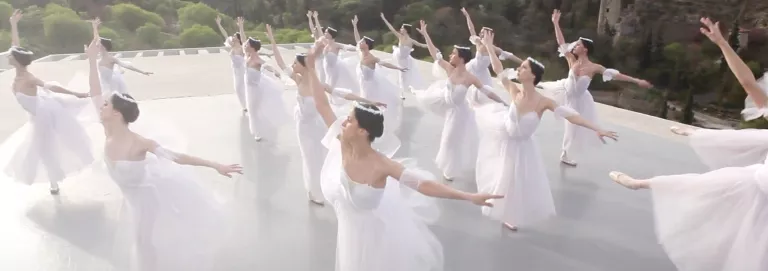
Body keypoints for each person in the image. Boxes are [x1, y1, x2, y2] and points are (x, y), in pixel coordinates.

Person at [305, 36, 503, 271]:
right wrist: (310, 66)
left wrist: (468, 196)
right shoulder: (342, 143)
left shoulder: (382, 165)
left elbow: (425, 185)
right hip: (349, 235)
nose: (343, 123)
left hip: (375, 239)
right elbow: (322, 105)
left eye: (349, 120)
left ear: (363, 131)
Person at [608, 17, 768, 271]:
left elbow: (748, 84)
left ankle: (643, 182)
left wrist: (723, 44)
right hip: (756, 187)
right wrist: (723, 44)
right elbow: (748, 83)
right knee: (701, 188)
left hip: (759, 193)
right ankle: (641, 183)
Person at [84, 23, 242, 270]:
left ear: (116, 113)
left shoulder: (139, 143)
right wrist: (91, 61)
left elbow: (177, 157)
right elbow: (94, 90)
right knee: (142, 242)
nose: (100, 106)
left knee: (144, 243)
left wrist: (215, 165)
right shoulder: (107, 129)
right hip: (131, 198)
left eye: (105, 105)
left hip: (147, 200)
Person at [477, 31, 617, 231]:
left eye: (523, 67)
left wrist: (597, 128)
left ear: (532, 75)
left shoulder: (544, 102)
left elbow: (572, 116)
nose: (519, 68)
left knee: (517, 180)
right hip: (506, 137)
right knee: (503, 177)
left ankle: (510, 213)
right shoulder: (514, 91)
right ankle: (503, 209)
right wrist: (489, 46)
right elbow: (498, 69)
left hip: (523, 145)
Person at [265, 24, 387, 205]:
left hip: (317, 126)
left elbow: (344, 94)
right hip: (303, 125)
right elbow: (280, 62)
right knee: (308, 157)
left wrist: (369, 102)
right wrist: (272, 40)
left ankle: (323, 185)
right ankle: (312, 190)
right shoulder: (297, 79)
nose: (292, 65)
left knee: (320, 156)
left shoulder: (318, 85)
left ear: (304, 66)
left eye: (295, 63)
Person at [0, 9, 93, 195]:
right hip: (36, 113)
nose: (8, 56)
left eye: (11, 56)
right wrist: (13, 24)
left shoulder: (28, 77)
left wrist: (76, 93)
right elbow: (15, 45)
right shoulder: (19, 70)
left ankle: (54, 181)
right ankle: (53, 180)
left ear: (17, 61)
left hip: (44, 114)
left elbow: (50, 86)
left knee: (44, 148)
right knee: (41, 148)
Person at [548, 9, 651, 166]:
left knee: (572, 126)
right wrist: (556, 23)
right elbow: (561, 42)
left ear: (585, 49)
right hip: (565, 92)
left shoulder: (594, 67)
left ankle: (565, 153)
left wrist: (636, 81)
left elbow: (615, 75)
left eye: (578, 45)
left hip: (578, 101)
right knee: (541, 95)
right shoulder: (571, 60)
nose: (574, 46)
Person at [413, 20, 506, 181]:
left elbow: (487, 92)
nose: (450, 55)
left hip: (460, 113)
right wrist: (426, 34)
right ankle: (450, 167)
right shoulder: (450, 69)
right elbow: (435, 54)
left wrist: (503, 102)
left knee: (451, 139)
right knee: (448, 139)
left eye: (453, 53)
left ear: (461, 58)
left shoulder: (470, 78)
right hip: (448, 106)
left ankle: (450, 169)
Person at [236, 17, 289, 141]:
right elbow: (243, 40)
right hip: (248, 88)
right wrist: (241, 27)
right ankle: (257, 130)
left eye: (248, 44)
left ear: (253, 47)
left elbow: (267, 65)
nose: (245, 45)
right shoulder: (247, 56)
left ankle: (258, 131)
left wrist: (276, 72)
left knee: (255, 110)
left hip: (255, 89)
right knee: (252, 110)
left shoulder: (257, 59)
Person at [90, 18, 152, 96]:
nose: (96, 44)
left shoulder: (111, 59)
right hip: (102, 83)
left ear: (103, 47)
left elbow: (127, 65)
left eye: (99, 44)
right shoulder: (100, 56)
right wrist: (95, 27)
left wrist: (142, 72)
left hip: (109, 86)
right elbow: (96, 38)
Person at [379, 12, 429, 99]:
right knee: (400, 76)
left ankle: (404, 90)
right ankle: (401, 93)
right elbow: (391, 28)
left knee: (404, 76)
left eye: (402, 28)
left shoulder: (411, 40)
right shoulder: (400, 37)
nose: (400, 29)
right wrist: (384, 19)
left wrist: (431, 46)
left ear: (406, 30)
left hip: (405, 60)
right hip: (398, 57)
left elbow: (421, 45)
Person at [215, 14, 247, 112]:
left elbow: (244, 38)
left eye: (234, 36)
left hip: (243, 71)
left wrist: (241, 27)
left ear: (238, 38)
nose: (232, 37)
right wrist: (218, 24)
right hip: (235, 71)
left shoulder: (242, 48)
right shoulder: (232, 46)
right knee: (238, 89)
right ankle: (245, 106)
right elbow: (224, 34)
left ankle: (248, 105)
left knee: (242, 88)